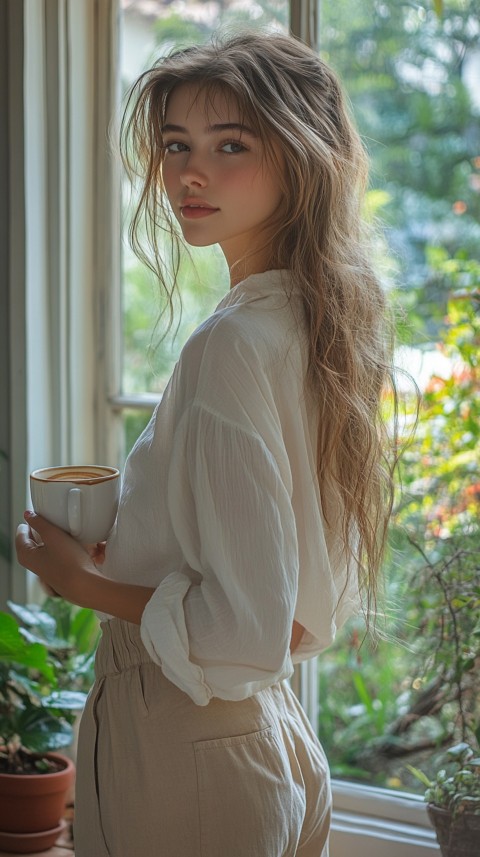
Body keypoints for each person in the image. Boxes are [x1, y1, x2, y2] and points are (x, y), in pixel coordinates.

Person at [16, 31, 397, 857]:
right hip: (263, 743)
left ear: (303, 158)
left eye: (231, 145)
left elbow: (244, 627)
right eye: (175, 145)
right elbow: (288, 613)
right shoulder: (314, 320)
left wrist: (80, 580)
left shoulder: (231, 344)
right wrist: (146, 546)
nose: (191, 172)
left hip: (186, 746)